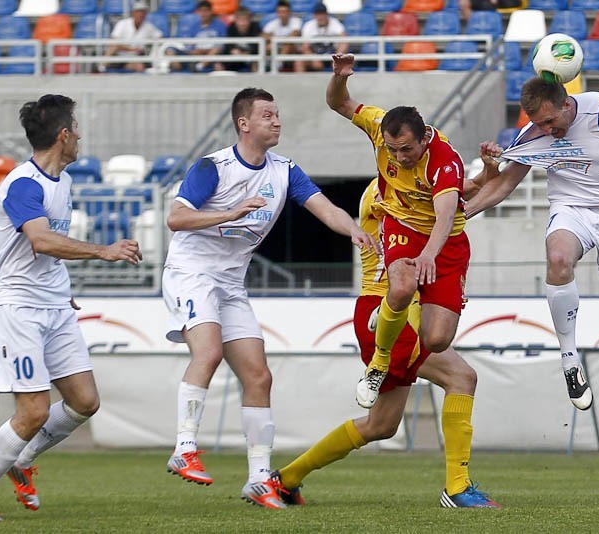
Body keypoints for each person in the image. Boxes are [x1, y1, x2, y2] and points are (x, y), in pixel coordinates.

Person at [162, 87, 377, 510]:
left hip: (229, 283)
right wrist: (232, 212)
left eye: (277, 114)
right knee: (206, 353)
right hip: (191, 274)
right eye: (267, 115)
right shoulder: (214, 167)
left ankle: (259, 478)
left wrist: (351, 229)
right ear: (243, 123)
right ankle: (184, 446)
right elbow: (176, 217)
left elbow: (322, 205)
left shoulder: (284, 169)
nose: (276, 121)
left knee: (259, 377)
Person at [0, 94, 142, 521]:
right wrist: (104, 250)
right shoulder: (24, 183)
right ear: (63, 135)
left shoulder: (64, 181)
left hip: (53, 303)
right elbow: (41, 240)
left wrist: (59, 286)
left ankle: (19, 459)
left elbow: (45, 252)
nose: (79, 135)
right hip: (17, 306)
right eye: (75, 127)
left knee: (84, 401)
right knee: (34, 410)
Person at [271, 173, 502, 509]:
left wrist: (487, 175)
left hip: (393, 311)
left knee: (381, 425)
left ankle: (287, 479)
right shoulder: (388, 194)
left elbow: (454, 195)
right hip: (387, 312)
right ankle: (457, 488)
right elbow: (448, 203)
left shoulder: (407, 188)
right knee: (461, 377)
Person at [465, 77, 599, 411]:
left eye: (551, 121)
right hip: (571, 209)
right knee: (558, 257)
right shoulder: (534, 135)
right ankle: (570, 361)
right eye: (538, 124)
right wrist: (463, 214)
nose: (547, 130)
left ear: (567, 105)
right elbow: (502, 185)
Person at [326, 53, 472, 409]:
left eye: (406, 149)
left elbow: (445, 216)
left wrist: (428, 255)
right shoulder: (378, 125)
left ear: (423, 139)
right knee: (403, 283)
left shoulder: (445, 161)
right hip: (400, 226)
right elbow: (338, 103)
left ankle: (396, 310)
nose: (399, 157)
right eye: (392, 150)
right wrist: (340, 77)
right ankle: (378, 363)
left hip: (444, 240)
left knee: (437, 340)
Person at [103, 1, 162, 72]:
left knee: (139, 66)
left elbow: (159, 37)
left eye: (143, 12)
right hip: (121, 56)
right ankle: (101, 68)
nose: (140, 14)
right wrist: (131, 49)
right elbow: (113, 42)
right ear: (133, 13)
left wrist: (150, 46)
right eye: (138, 11)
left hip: (137, 57)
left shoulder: (149, 26)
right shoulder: (122, 24)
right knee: (112, 48)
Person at [168, 0, 227, 72]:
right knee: (170, 50)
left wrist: (203, 51)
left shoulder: (220, 26)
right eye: (201, 11)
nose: (203, 14)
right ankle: (178, 73)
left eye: (206, 11)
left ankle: (200, 66)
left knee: (216, 49)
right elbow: (190, 46)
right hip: (195, 55)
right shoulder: (195, 27)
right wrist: (193, 51)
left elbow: (221, 46)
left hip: (211, 56)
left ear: (211, 11)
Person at [298, 2, 347, 73]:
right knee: (299, 62)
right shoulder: (308, 26)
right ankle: (300, 84)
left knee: (345, 61)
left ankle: (341, 83)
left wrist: (337, 58)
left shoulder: (335, 23)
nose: (320, 17)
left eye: (322, 14)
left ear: (327, 14)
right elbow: (305, 47)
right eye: (318, 14)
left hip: (333, 55)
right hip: (315, 55)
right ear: (314, 15)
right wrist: (313, 58)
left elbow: (344, 41)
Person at [261, 0, 302, 72]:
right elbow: (263, 35)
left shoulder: (296, 21)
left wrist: (275, 39)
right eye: (280, 12)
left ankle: (277, 66)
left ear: (289, 12)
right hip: (278, 48)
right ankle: (265, 67)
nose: (282, 14)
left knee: (288, 45)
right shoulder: (273, 23)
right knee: (269, 47)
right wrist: (276, 40)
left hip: (294, 50)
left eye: (285, 12)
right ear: (277, 13)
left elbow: (295, 34)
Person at [222, 7, 261, 72]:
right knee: (221, 62)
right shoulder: (231, 28)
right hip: (235, 58)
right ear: (236, 20)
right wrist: (233, 50)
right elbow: (227, 44)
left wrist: (248, 53)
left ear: (250, 20)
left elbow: (257, 46)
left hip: (251, 57)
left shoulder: (255, 27)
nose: (242, 23)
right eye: (240, 20)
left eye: (245, 20)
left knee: (256, 62)